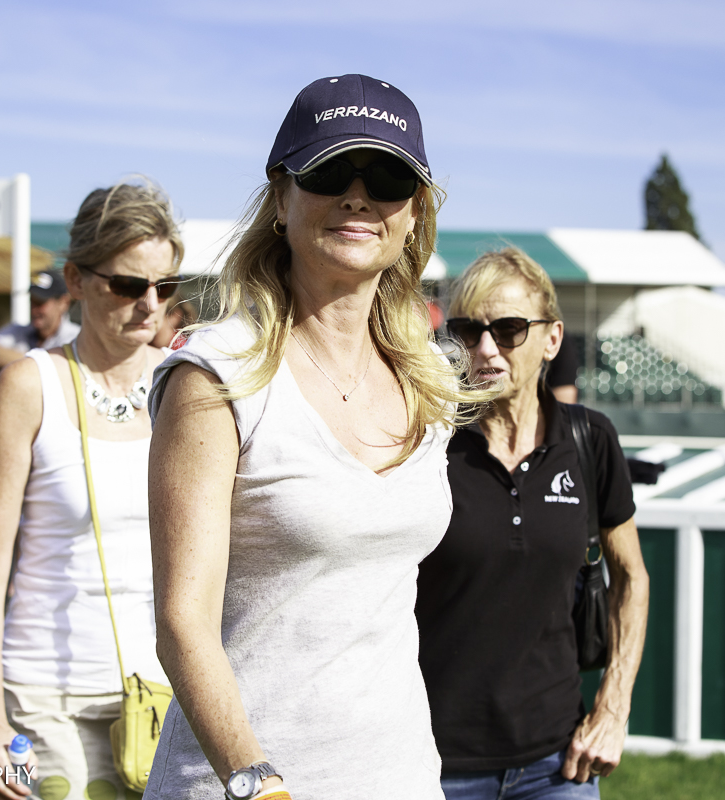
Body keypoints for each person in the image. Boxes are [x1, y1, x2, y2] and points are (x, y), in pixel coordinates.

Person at [145, 74, 484, 800]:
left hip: (399, 780)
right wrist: (254, 779)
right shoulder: (219, 377)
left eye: (389, 177)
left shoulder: (428, 380)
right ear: (281, 197)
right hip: (244, 785)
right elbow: (182, 621)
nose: (359, 196)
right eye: (331, 172)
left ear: (414, 212)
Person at [0, 182, 183, 800]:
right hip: (42, 692)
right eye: (129, 285)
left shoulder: (184, 387)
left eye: (164, 288)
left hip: (164, 688)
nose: (149, 305)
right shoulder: (29, 385)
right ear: (76, 280)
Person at [416, 249, 650, 800]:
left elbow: (632, 577)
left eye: (509, 329)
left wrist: (612, 709)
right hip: (433, 766)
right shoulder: (428, 443)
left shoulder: (590, 439)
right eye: (469, 330)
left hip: (556, 767)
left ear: (552, 339)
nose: (486, 348)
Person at [0, 269, 81, 374]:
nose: (34, 309)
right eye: (32, 302)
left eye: (40, 303)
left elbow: (48, 370)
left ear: (64, 303)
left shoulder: (76, 337)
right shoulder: (19, 331)